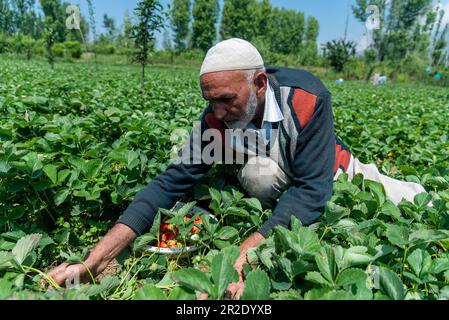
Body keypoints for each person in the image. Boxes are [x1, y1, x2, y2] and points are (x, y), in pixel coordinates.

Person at [44, 38, 426, 299]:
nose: (219, 112)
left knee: (409, 200)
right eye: (210, 102)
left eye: (227, 100)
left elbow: (312, 189)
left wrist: (247, 251)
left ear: (259, 83)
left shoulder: (307, 98)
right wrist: (97, 257)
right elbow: (169, 183)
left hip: (334, 172)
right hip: (273, 175)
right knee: (258, 174)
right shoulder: (216, 118)